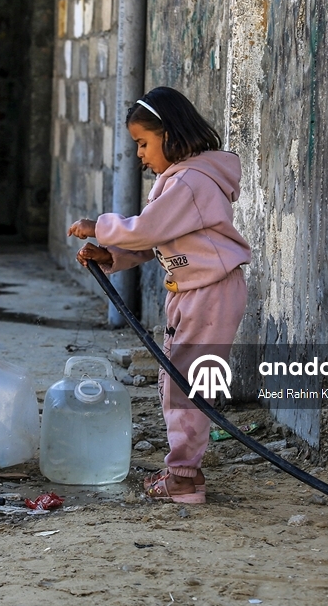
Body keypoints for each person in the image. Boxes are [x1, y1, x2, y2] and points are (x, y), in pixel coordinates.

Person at [68, 86, 250, 504]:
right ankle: (181, 470)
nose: (140, 154)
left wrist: (98, 225)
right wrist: (111, 255)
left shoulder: (190, 181)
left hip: (211, 293)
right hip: (193, 291)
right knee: (177, 381)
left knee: (186, 385)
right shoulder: (181, 182)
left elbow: (147, 230)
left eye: (143, 143)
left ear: (169, 135)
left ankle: (185, 477)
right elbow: (155, 244)